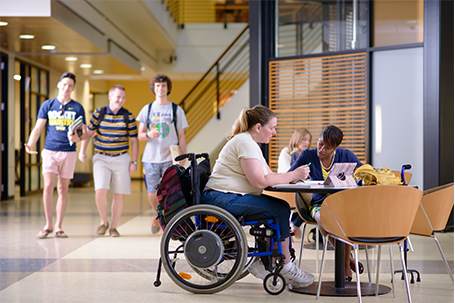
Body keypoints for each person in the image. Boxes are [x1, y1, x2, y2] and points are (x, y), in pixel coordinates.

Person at [201, 105, 314, 288]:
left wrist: (291, 179)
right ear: (259, 127)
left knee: (281, 208)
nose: (275, 132)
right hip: (219, 198)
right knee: (279, 208)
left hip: (226, 196)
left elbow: (269, 177)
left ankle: (264, 260)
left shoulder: (250, 143)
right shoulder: (244, 143)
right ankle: (286, 266)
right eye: (272, 128)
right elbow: (259, 182)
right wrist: (293, 175)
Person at [289, 125, 363, 282]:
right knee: (325, 219)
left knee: (343, 221)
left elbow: (364, 173)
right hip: (318, 203)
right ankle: (347, 261)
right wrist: (296, 176)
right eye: (320, 143)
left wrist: (355, 179)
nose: (321, 149)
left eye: (327, 147)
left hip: (342, 203)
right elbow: (290, 176)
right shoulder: (308, 155)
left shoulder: (345, 155)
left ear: (335, 147)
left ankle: (344, 264)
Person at [25, 72, 87, 239]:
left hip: (68, 152)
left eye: (70, 85)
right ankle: (48, 224)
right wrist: (30, 144)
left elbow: (85, 133)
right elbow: (38, 128)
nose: (66, 88)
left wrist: (78, 138)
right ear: (59, 85)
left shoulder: (78, 107)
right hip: (50, 151)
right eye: (64, 84)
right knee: (48, 187)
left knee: (62, 189)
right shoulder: (48, 105)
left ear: (73, 88)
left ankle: (59, 226)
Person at [79, 84, 139, 237]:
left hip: (121, 158)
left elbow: (134, 141)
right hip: (101, 157)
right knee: (100, 190)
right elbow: (87, 133)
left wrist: (134, 162)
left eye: (123, 97)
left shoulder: (128, 116)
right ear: (110, 96)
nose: (121, 100)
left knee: (119, 194)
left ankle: (113, 227)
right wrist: (82, 152)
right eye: (118, 97)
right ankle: (103, 222)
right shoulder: (99, 113)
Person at [136, 74, 188, 234]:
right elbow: (139, 134)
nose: (160, 88)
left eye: (163, 85)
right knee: (152, 192)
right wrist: (148, 135)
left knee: (168, 192)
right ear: (154, 88)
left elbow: (181, 136)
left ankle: (165, 219)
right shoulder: (148, 109)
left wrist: (183, 157)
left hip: (169, 158)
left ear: (168, 88)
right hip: (150, 158)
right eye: (158, 86)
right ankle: (157, 214)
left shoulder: (176, 109)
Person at [277, 128, 312, 239]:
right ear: (297, 139)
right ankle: (294, 225)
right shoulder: (286, 152)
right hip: (287, 190)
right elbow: (284, 171)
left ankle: (294, 224)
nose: (307, 143)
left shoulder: (308, 155)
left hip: (302, 189)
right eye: (304, 139)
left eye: (308, 140)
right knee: (307, 199)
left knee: (314, 199)